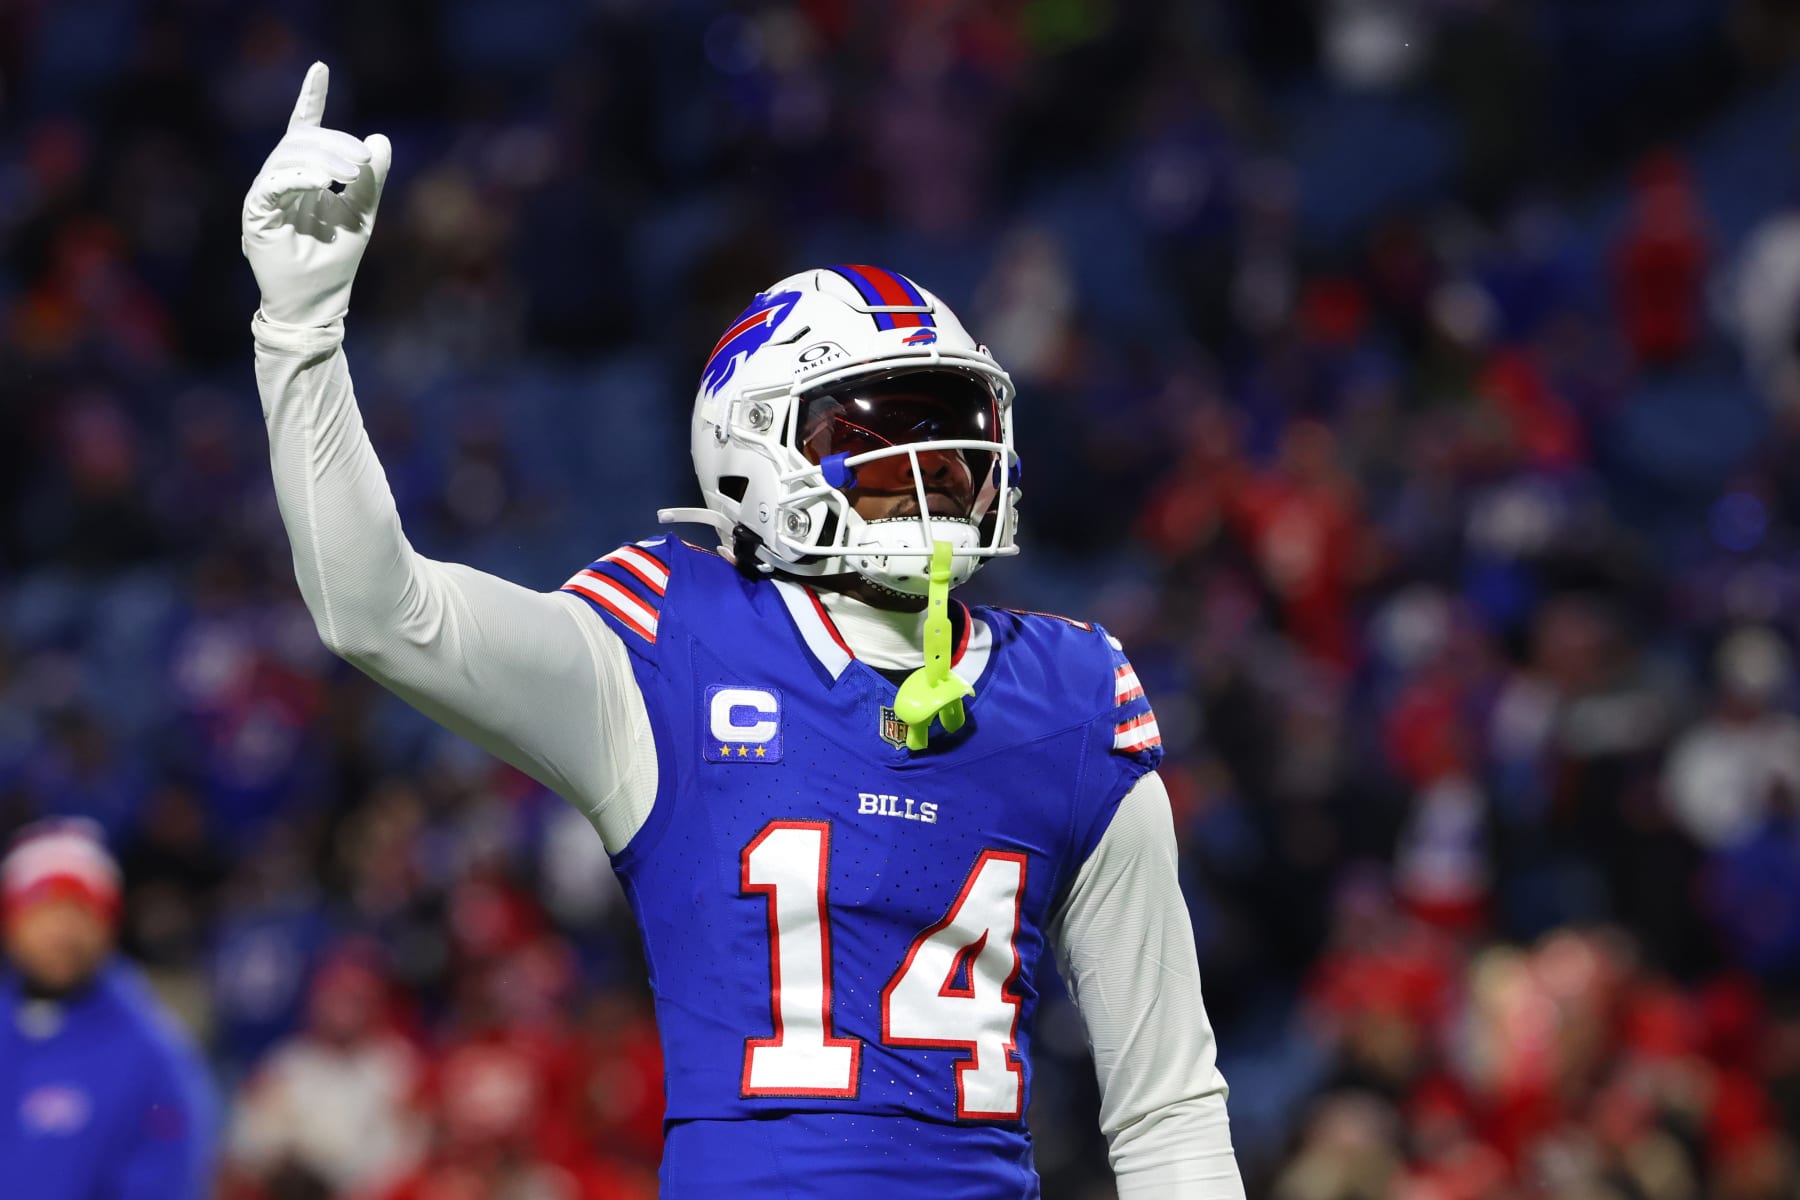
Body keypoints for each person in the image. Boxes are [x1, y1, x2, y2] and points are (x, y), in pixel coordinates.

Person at [241, 62, 1244, 1198]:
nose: (935, 470)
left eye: (958, 435)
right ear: (752, 449)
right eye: (883, 430)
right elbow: (379, 610)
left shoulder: (1069, 695)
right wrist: (301, 333)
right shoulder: (669, 643)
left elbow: (1168, 1106)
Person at [0, 819, 216, 1200]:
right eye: (43, 910)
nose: (61, 932)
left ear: (109, 923)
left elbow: (166, 1180)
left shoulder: (153, 1053)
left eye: (81, 912)